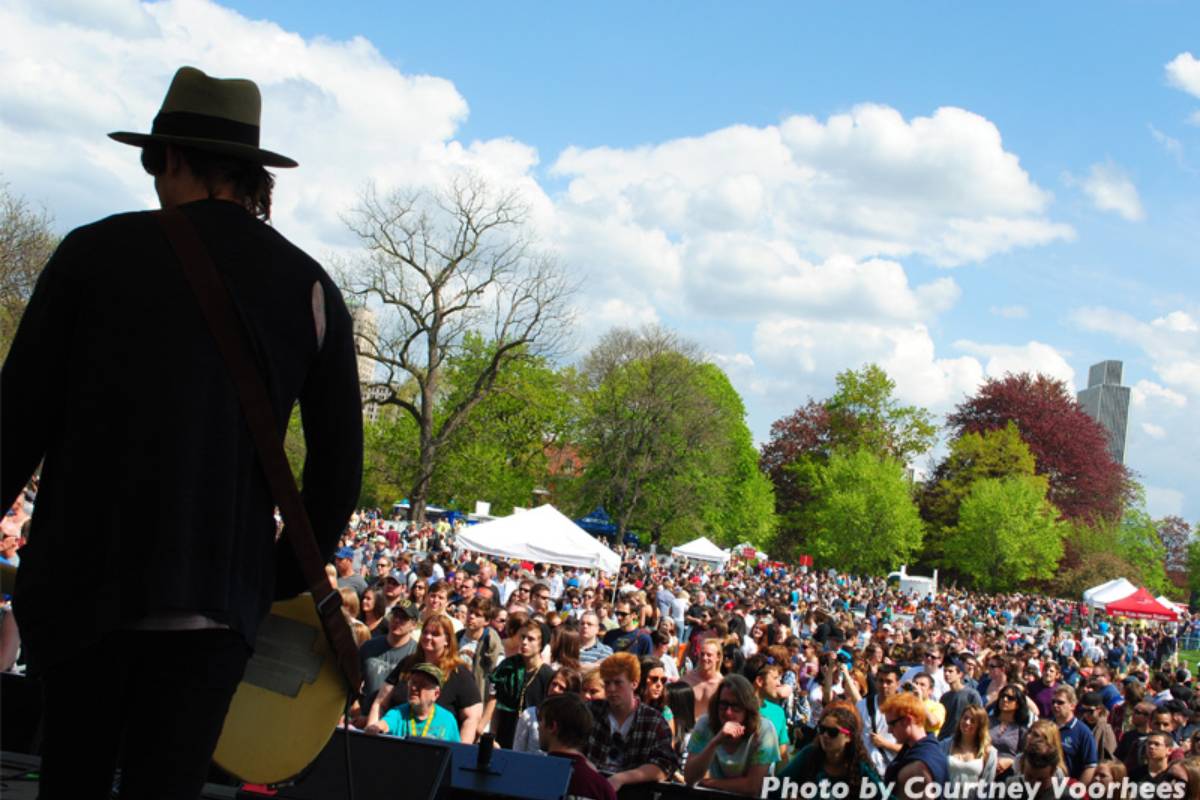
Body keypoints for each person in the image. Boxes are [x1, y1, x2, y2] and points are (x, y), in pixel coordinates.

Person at [0, 66, 363, 800]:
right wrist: (276, 575)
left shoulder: (93, 254)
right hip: (216, 599)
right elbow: (337, 474)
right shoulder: (313, 289)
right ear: (252, 174)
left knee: (70, 775)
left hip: (84, 582)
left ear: (169, 158)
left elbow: (14, 424)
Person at [373, 614, 483, 741]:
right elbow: (380, 703)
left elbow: (472, 717)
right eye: (425, 632)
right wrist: (372, 733)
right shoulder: (408, 663)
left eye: (435, 634)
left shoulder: (459, 673)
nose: (428, 637)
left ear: (447, 640)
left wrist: (461, 755)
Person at [584, 652, 677, 792]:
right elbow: (566, 744)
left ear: (634, 683)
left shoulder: (653, 720)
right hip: (590, 790)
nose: (611, 689)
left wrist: (621, 778)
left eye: (618, 682)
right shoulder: (590, 712)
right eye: (607, 683)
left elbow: (665, 765)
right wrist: (584, 764)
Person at [684, 674, 780, 796]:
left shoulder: (764, 730)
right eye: (723, 704)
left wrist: (711, 784)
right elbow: (690, 778)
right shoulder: (705, 724)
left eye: (736, 706)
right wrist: (715, 742)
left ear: (747, 708)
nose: (728, 712)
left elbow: (753, 786)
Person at [771, 701, 884, 800]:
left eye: (832, 732)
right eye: (822, 729)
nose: (825, 735)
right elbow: (775, 787)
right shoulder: (809, 755)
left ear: (849, 737)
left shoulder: (860, 766)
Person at [538, 693, 617, 800]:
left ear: (552, 726)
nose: (538, 727)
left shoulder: (529, 775)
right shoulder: (602, 788)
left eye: (540, 720)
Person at [490, 621, 555, 749]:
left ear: (541, 644)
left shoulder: (547, 675)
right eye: (523, 637)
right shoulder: (508, 667)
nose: (524, 642)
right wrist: (492, 736)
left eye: (531, 639)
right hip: (504, 736)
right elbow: (497, 705)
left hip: (532, 739)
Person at [881, 690, 950, 800]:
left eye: (892, 724)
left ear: (907, 720)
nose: (889, 730)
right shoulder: (921, 749)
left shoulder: (919, 767)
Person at [365, 664, 460, 742]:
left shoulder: (448, 719)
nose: (414, 688)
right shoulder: (398, 713)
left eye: (422, 685)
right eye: (413, 683)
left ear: (436, 694)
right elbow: (384, 724)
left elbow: (457, 753)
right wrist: (375, 728)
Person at [514, 667, 582, 754]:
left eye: (561, 688)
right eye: (554, 684)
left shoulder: (574, 722)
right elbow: (517, 751)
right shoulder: (529, 714)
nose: (555, 689)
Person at [940, 706, 997, 798]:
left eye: (973, 721)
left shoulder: (988, 752)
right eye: (965, 718)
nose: (967, 722)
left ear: (980, 726)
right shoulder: (945, 745)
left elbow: (988, 784)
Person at [859, 663, 903, 775]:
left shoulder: (904, 709)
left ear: (898, 684)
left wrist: (885, 744)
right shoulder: (862, 705)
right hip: (865, 770)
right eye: (880, 681)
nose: (884, 685)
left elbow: (912, 747)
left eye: (889, 682)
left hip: (892, 771)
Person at [1052, 684, 1098, 782]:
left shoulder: (1084, 732)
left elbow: (1090, 767)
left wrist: (1077, 792)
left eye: (1060, 702)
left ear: (1072, 705)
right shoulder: (1047, 727)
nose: (1055, 705)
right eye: (1053, 702)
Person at [988, 685, 1030, 777]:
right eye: (1002, 696)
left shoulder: (1021, 729)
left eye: (1010, 698)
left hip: (1008, 775)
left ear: (1018, 704)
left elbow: (1026, 755)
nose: (1005, 699)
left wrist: (1011, 761)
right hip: (985, 769)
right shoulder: (986, 721)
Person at [939, 658, 983, 741]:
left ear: (960, 674)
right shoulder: (944, 697)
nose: (946, 674)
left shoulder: (972, 695)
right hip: (944, 740)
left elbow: (979, 719)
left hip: (962, 739)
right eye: (945, 671)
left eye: (950, 671)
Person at [684, 637, 725, 712]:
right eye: (702, 654)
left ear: (718, 657)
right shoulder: (688, 679)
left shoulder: (722, 684)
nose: (704, 658)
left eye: (709, 655)